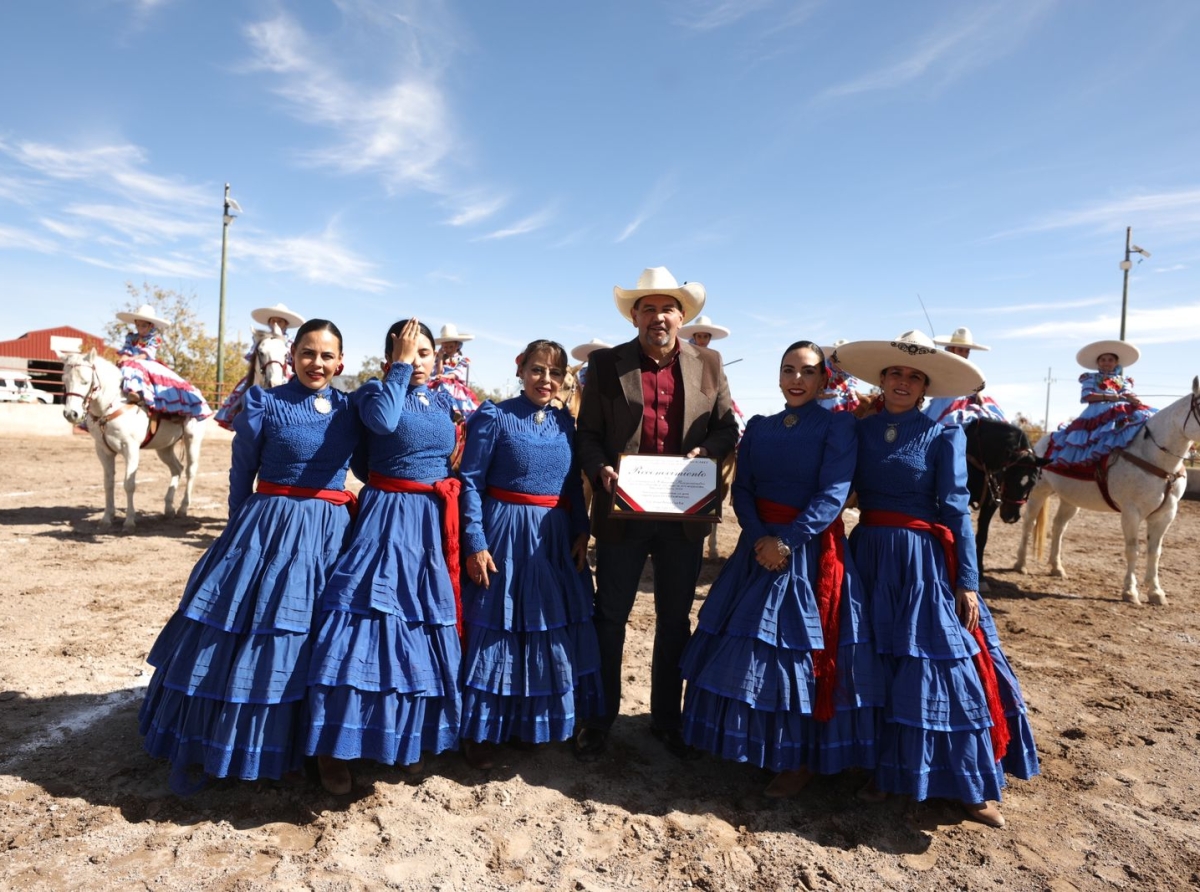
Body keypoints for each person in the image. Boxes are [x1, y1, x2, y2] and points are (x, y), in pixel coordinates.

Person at [139, 319, 361, 792]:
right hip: (269, 528)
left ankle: (322, 749)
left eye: (326, 355)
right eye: (307, 353)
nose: (316, 363)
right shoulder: (265, 404)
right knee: (255, 634)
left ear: (341, 362)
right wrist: (239, 534)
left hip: (332, 533)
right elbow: (242, 475)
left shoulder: (352, 409)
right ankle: (228, 739)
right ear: (292, 356)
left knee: (325, 639)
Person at [831, 330, 1039, 828]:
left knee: (943, 664)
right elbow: (842, 489)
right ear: (882, 379)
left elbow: (956, 512)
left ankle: (970, 784)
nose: (902, 382)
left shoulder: (945, 435)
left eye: (914, 376)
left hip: (923, 562)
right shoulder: (858, 431)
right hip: (868, 557)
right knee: (877, 661)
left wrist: (966, 581)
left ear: (925, 387)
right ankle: (886, 770)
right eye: (895, 373)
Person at [680, 341, 881, 797]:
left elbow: (833, 494)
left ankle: (800, 758)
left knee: (798, 652)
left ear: (823, 379)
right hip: (758, 547)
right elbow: (743, 489)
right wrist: (758, 538)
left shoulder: (838, 426)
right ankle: (757, 743)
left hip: (808, 549)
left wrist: (786, 541)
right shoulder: (759, 427)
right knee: (752, 648)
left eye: (808, 372)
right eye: (788, 370)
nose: (796, 379)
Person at [574, 266, 739, 762]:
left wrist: (706, 452)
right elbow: (587, 435)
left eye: (667, 308)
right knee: (610, 617)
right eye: (648, 308)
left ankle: (667, 720)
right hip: (623, 510)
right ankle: (599, 718)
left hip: (682, 514)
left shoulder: (709, 363)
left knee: (674, 620)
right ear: (634, 317)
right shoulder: (606, 366)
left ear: (682, 315)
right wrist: (600, 467)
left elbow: (727, 429)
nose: (658, 317)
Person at [306, 318, 463, 794]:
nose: (415, 361)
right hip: (385, 517)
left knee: (418, 628)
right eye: (405, 352)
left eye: (422, 353)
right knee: (362, 624)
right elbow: (382, 425)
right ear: (388, 358)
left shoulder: (444, 400)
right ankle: (333, 747)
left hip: (430, 525)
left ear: (436, 359)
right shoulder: (374, 392)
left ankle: (404, 737)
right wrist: (397, 369)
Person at [457, 339, 604, 769]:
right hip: (504, 534)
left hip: (554, 539)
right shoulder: (494, 415)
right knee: (499, 627)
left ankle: (526, 723)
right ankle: (480, 732)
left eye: (556, 373)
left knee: (545, 629)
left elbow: (573, 484)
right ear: (520, 369)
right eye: (538, 370)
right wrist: (476, 541)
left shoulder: (566, 424)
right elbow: (470, 482)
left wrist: (581, 530)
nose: (547, 380)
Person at [1043, 339, 1156, 473]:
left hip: (1119, 408)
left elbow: (1126, 393)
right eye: (1103, 360)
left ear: (1116, 363)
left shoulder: (1124, 380)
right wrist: (1107, 396)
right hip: (1096, 411)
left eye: (1110, 360)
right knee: (1096, 436)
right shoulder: (1089, 377)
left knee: (1143, 416)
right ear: (1098, 363)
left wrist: (1133, 399)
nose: (1106, 362)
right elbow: (1086, 396)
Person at [215, 303, 305, 430]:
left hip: (286, 369)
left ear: (286, 324)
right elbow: (253, 357)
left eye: (279, 321)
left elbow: (294, 358)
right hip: (263, 368)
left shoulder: (291, 340)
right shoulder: (262, 339)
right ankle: (233, 413)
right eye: (273, 321)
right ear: (269, 323)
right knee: (242, 387)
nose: (276, 324)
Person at [115, 304, 212, 420]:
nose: (140, 328)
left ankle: (139, 393)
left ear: (150, 326)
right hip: (130, 362)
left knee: (155, 380)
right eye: (138, 325)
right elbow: (126, 350)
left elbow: (145, 354)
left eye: (144, 326)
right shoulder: (131, 337)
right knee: (121, 369)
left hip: (146, 362)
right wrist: (124, 357)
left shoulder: (154, 339)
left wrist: (131, 359)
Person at [924, 327, 1007, 427]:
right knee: (930, 424)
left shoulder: (970, 369)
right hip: (945, 400)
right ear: (951, 349)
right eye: (960, 350)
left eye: (967, 351)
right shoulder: (943, 364)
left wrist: (978, 391)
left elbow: (975, 382)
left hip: (967, 398)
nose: (964, 354)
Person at [430, 322, 481, 416]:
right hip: (440, 381)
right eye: (445, 347)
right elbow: (438, 372)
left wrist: (444, 376)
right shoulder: (438, 358)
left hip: (455, 385)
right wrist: (440, 358)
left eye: (451, 347)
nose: (448, 349)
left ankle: (455, 410)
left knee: (445, 386)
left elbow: (456, 374)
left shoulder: (462, 360)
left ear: (457, 345)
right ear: (442, 346)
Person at [819, 339, 869, 414]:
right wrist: (824, 396)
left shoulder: (852, 371)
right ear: (831, 358)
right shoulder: (821, 369)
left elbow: (851, 389)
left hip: (850, 410)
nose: (841, 364)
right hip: (828, 411)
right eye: (838, 360)